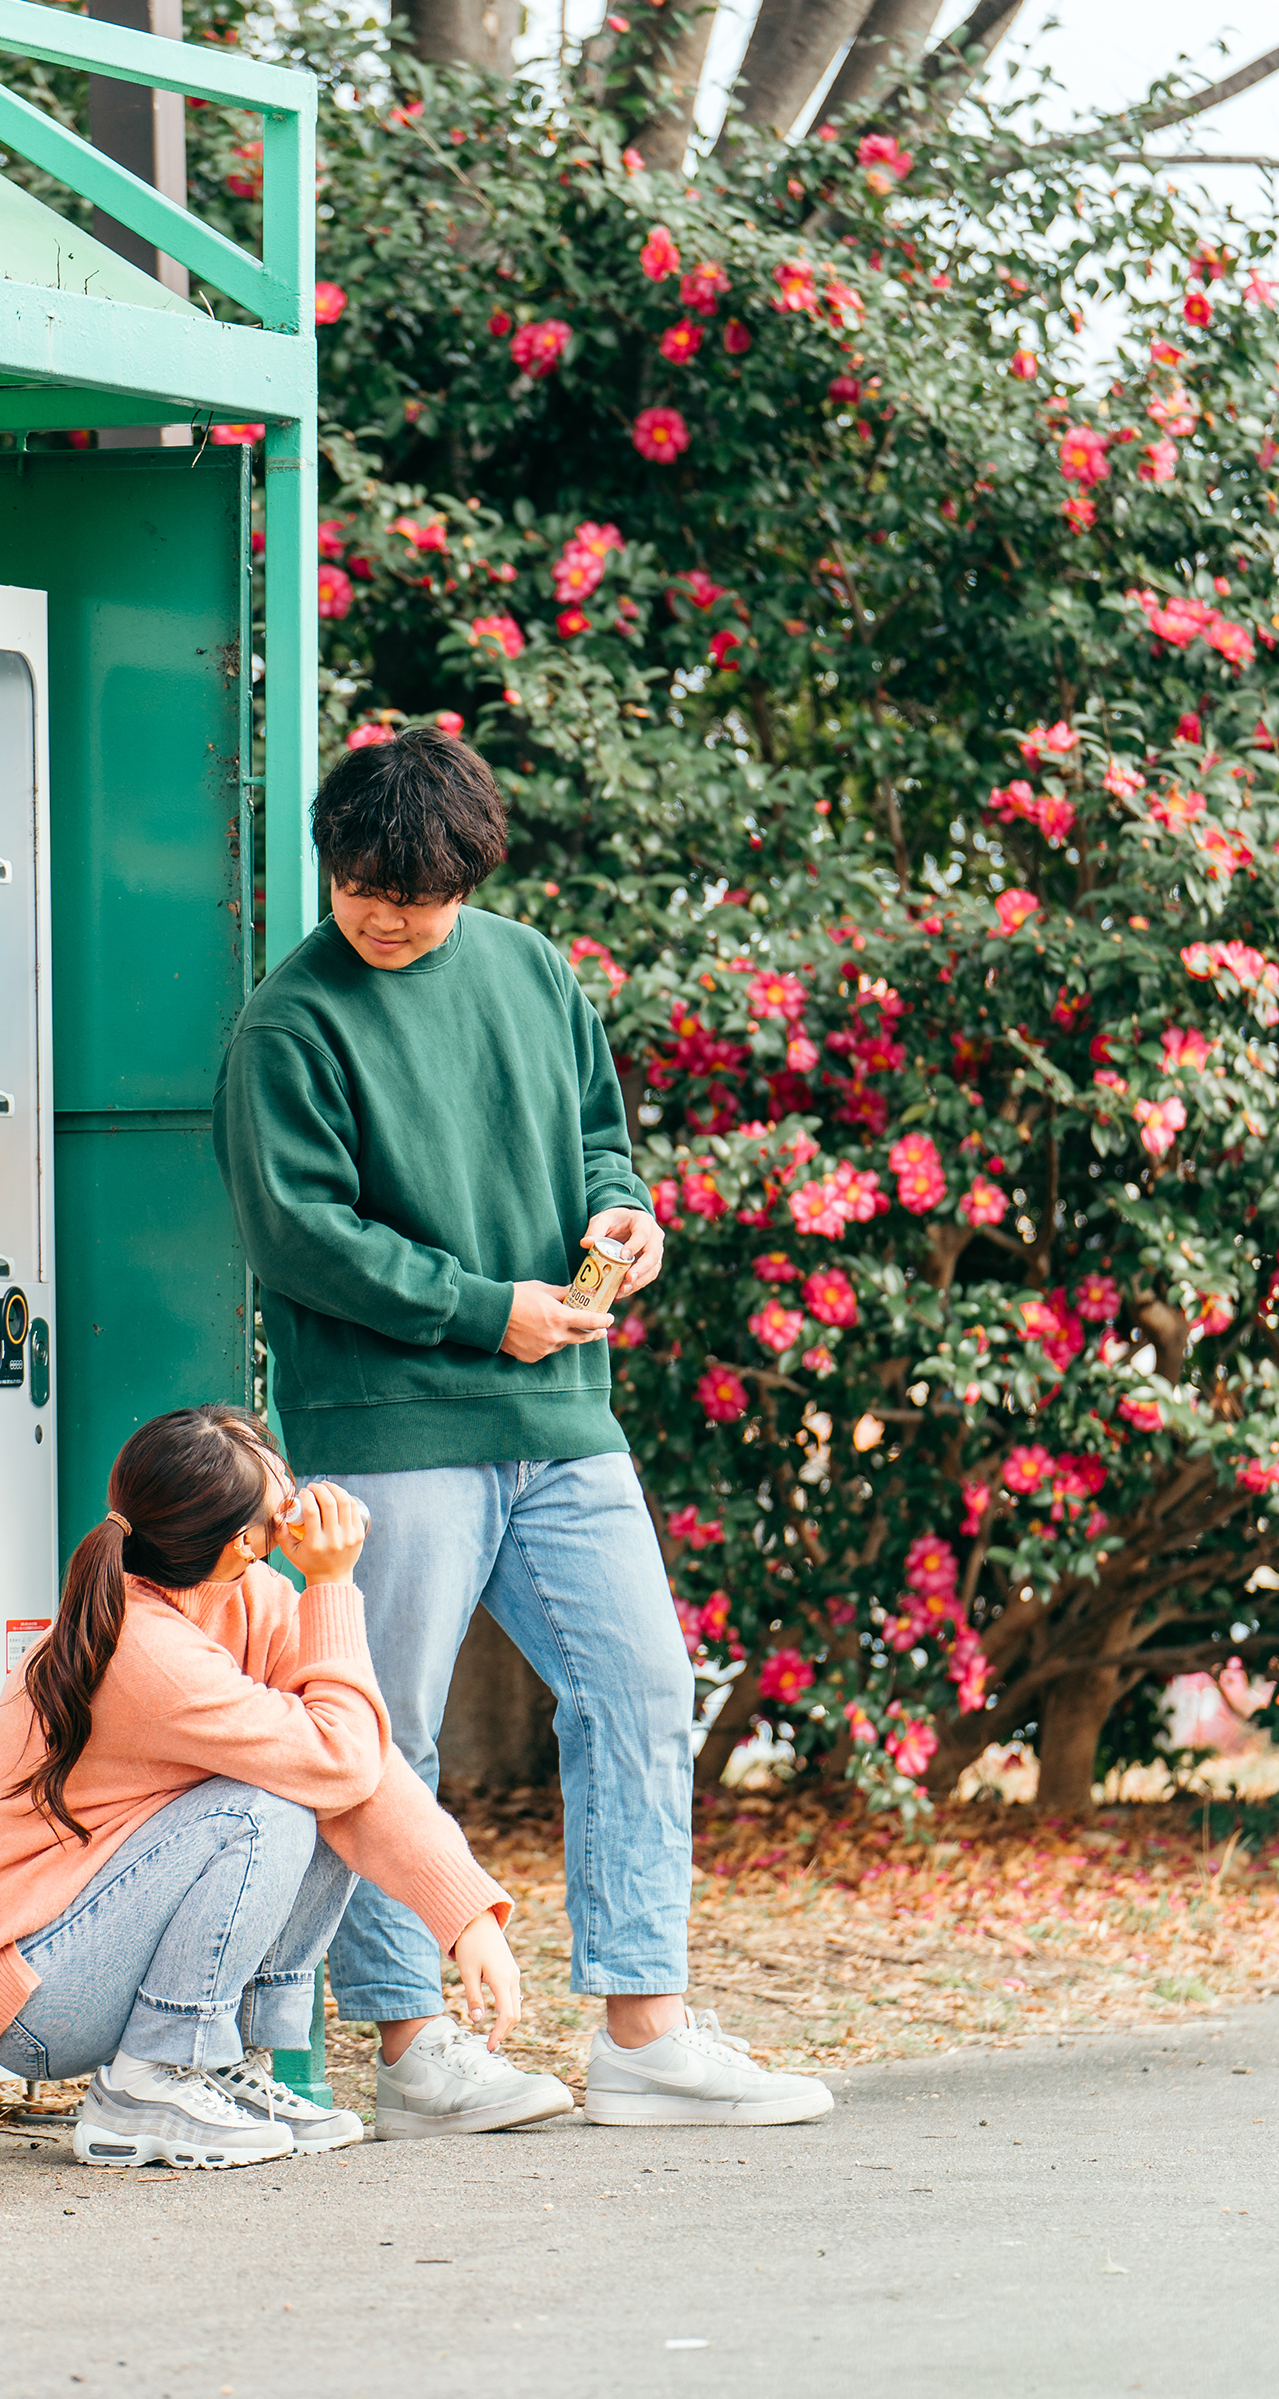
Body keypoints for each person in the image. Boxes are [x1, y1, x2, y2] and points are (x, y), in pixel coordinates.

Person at [214, 728, 833, 2132]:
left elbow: (600, 1138)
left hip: (561, 1409)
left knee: (641, 1690)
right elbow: (298, 1236)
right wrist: (482, 1307)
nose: (385, 914)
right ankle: (416, 2049)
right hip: (388, 1417)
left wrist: (628, 1215)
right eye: (362, 885)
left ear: (471, 880)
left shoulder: (534, 968)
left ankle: (644, 2035)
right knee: (385, 1728)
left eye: (417, 897)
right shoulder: (289, 1022)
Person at [0, 1402, 530, 2169]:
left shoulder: (249, 1597)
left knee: (310, 1790)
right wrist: (334, 1586)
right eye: (279, 1502)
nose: (300, 1506)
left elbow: (360, 1770)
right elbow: (338, 1757)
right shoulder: (142, 1648)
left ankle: (224, 2066)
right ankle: (151, 2080)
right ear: (241, 1543)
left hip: (90, 1944)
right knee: (267, 1809)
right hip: (35, 1987)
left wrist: (468, 1914)